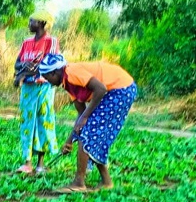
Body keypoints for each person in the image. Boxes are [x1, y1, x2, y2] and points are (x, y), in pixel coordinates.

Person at [38, 53, 138, 193]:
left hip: (121, 89)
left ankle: (79, 183)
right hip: (115, 91)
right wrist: (69, 141)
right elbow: (81, 115)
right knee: (89, 133)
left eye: (48, 77)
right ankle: (106, 181)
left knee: (88, 133)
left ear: (55, 72)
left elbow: (100, 89)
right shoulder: (68, 85)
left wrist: (85, 118)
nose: (48, 81)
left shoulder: (71, 72)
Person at [13, 10, 60, 175]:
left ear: (41, 23)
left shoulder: (51, 42)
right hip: (28, 88)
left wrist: (29, 71)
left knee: (43, 120)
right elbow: (18, 63)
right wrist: (24, 70)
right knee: (27, 122)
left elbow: (52, 64)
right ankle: (27, 162)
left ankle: (41, 163)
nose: (29, 24)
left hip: (44, 88)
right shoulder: (26, 43)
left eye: (32, 21)